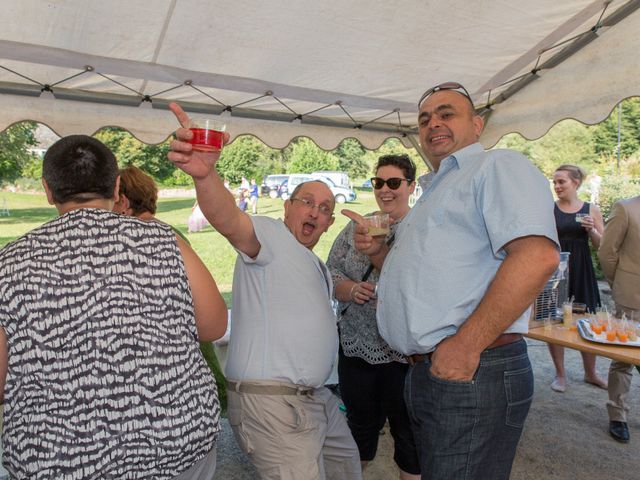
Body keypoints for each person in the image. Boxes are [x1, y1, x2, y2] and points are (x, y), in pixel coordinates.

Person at [345, 82, 559, 480]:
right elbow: (421, 273)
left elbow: (537, 256)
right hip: (432, 371)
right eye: (425, 119)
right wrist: (376, 254)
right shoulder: (436, 189)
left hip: (475, 367)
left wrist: (466, 345)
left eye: (447, 114)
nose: (433, 124)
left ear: (477, 126)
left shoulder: (497, 166)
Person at [0, 135, 228, 478]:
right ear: (116, 185)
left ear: (48, 190)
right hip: (177, 444)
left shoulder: (9, 263)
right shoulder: (165, 242)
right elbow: (214, 326)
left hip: (60, 461)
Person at [167, 103, 362, 480]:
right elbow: (228, 219)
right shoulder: (269, 237)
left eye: (324, 208)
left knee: (347, 469)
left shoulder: (313, 264)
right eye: (307, 202)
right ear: (288, 207)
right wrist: (206, 177)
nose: (315, 212)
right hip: (275, 406)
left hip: (316, 400)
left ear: (329, 222)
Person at [326, 154, 420, 479]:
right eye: (378, 182)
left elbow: (413, 283)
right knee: (358, 432)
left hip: (404, 355)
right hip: (356, 347)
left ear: (411, 186)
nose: (385, 189)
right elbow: (331, 271)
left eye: (394, 182)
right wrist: (350, 289)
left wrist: (378, 252)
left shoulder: (420, 229)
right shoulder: (357, 224)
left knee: (408, 437)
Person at [547, 164, 607, 393]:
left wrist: (592, 230)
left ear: (576, 182)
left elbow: (602, 245)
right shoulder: (550, 209)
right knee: (553, 321)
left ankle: (591, 373)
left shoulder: (591, 209)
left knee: (587, 320)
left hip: (582, 270)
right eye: (555, 182)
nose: (557, 186)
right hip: (557, 271)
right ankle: (560, 374)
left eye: (561, 181)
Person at [598, 195, 640, 443]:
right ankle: (617, 414)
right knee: (624, 357)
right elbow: (606, 252)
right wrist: (619, 283)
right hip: (632, 297)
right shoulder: (626, 208)